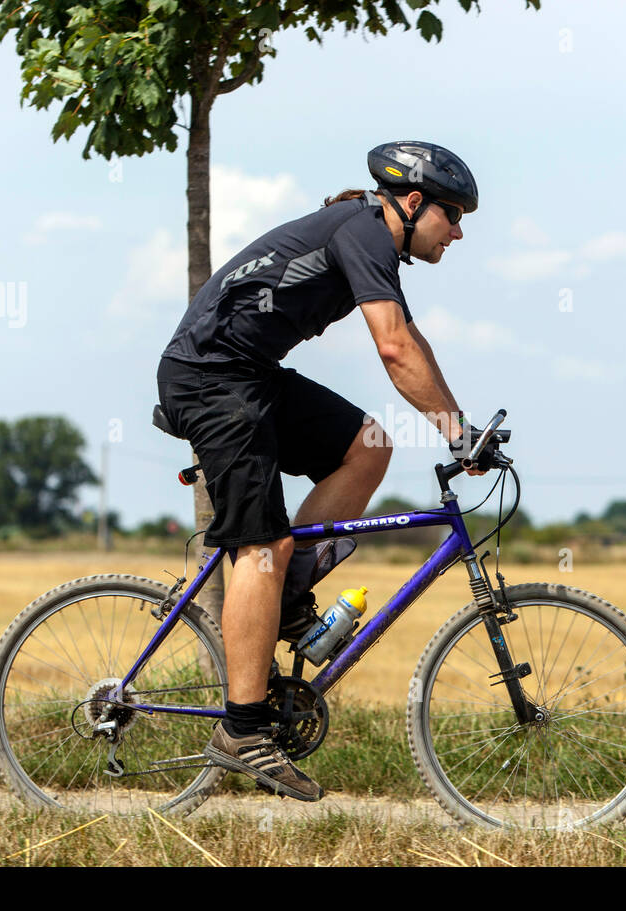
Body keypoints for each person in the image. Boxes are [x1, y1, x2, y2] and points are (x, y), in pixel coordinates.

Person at [155, 141, 482, 801]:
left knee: (369, 444)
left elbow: (409, 343)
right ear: (412, 203)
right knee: (264, 543)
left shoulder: (370, 239)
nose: (459, 231)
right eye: (452, 214)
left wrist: (464, 428)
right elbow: (392, 348)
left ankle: (285, 601)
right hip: (209, 379)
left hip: (248, 377)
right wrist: (457, 433)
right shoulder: (365, 229)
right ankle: (242, 732)